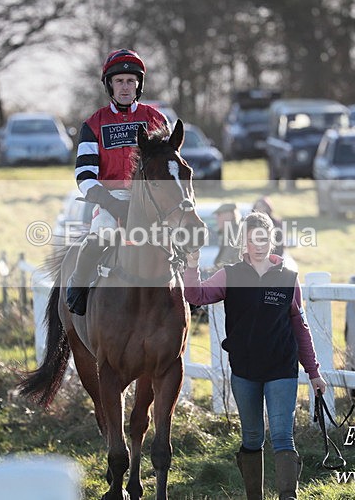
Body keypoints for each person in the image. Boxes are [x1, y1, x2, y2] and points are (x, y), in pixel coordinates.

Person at [183, 211, 326, 500]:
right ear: (244, 243)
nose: (259, 244)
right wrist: (192, 263)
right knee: (251, 437)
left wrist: (314, 372)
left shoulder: (287, 278)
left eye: (264, 237)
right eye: (252, 239)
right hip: (245, 371)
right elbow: (195, 296)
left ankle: (288, 495)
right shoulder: (231, 274)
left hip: (282, 369)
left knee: (283, 437)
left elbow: (300, 327)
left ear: (271, 240)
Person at [66, 49, 169, 316]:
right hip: (113, 202)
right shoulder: (93, 124)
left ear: (139, 85)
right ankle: (77, 286)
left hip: (152, 201)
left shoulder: (157, 120)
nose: (125, 87)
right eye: (119, 81)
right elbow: (85, 177)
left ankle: (188, 289)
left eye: (131, 81)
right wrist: (111, 204)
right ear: (110, 84)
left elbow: (169, 167)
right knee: (102, 234)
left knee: (181, 236)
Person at [212, 202, 241, 270]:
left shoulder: (237, 234)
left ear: (230, 215)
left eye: (219, 214)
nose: (216, 218)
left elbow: (232, 261)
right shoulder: (227, 233)